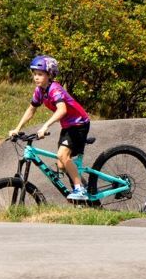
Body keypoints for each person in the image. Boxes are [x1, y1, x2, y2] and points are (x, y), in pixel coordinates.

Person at [9, 55, 92, 201]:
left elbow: (62, 110)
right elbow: (31, 110)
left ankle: (80, 189)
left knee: (62, 155)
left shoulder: (55, 89)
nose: (36, 77)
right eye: (34, 74)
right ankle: (81, 186)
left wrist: (45, 125)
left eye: (40, 74)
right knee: (61, 163)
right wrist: (17, 128)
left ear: (49, 75)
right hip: (68, 125)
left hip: (79, 124)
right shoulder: (39, 91)